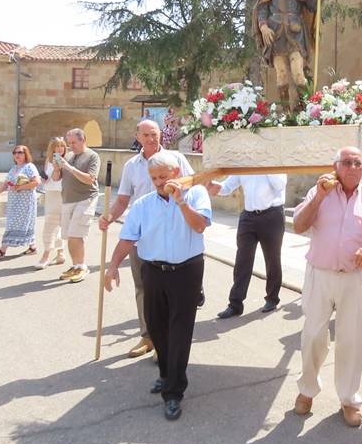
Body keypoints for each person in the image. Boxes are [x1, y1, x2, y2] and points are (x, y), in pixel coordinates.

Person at [291, 147, 362, 427]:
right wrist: (319, 198)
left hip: (354, 278)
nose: (352, 167)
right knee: (313, 334)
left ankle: (349, 399)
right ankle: (307, 390)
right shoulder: (320, 192)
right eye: (346, 163)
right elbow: (299, 225)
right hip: (320, 274)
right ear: (335, 166)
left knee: (352, 340)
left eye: (357, 163)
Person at [104, 152, 212, 421]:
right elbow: (128, 238)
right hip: (152, 270)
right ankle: (166, 374)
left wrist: (181, 202)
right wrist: (113, 265)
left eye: (163, 176)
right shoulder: (142, 205)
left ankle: (174, 392)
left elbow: (199, 226)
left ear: (176, 172)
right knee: (156, 327)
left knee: (179, 331)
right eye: (154, 178)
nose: (158, 182)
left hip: (187, 271)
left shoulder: (196, 194)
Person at [98, 120, 194, 357]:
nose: (152, 138)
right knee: (144, 290)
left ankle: (167, 341)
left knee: (172, 291)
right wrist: (109, 216)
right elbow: (123, 200)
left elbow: (193, 185)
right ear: (138, 136)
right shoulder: (132, 166)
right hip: (142, 237)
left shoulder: (177, 159)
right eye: (147, 135)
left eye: (155, 134)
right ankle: (148, 337)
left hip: (174, 234)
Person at [208, 174, 287, 318]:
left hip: (272, 215)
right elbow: (227, 187)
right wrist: (214, 186)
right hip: (248, 216)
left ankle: (272, 298)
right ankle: (235, 304)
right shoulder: (244, 162)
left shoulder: (275, 161)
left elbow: (280, 184)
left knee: (272, 259)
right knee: (242, 261)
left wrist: (265, 164)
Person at [51, 128, 100, 284]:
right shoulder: (70, 156)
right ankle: (76, 266)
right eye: (69, 143)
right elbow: (56, 178)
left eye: (74, 142)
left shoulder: (92, 156)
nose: (70, 146)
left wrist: (69, 167)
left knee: (75, 235)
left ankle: (82, 267)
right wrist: (57, 168)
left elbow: (90, 179)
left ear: (83, 140)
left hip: (85, 198)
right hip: (68, 200)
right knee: (69, 236)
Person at [0, 145, 41, 258]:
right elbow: (7, 183)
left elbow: (36, 182)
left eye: (20, 152)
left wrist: (20, 188)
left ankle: (2, 250)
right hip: (13, 202)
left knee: (13, 224)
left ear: (26, 154)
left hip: (25, 202)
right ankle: (33, 247)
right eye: (15, 152)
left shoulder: (29, 167)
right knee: (24, 224)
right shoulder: (14, 168)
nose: (17, 155)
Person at [38, 137, 67, 268]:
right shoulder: (48, 160)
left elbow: (58, 178)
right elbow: (48, 178)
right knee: (51, 225)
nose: (60, 149)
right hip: (50, 194)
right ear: (52, 148)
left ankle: (47, 254)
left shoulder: (67, 160)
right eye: (57, 146)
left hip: (63, 194)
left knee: (58, 225)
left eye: (62, 146)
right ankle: (60, 253)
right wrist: (43, 179)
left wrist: (59, 166)